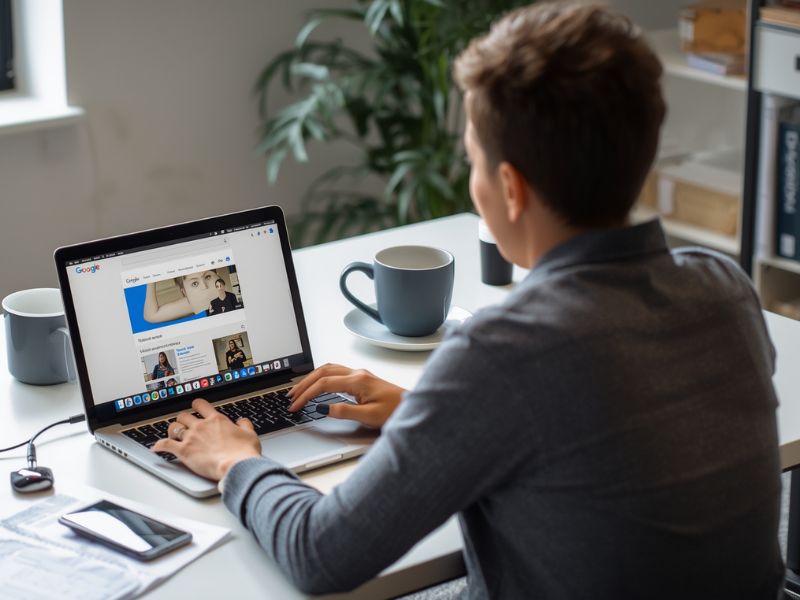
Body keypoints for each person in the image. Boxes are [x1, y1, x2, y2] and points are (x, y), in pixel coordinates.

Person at [154, 3, 783, 598]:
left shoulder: (505, 352)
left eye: (473, 162)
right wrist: (427, 414)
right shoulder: (724, 290)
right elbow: (611, 430)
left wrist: (235, 462)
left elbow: (321, 553)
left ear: (509, 188)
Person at [143, 269, 219, 323]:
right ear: (185, 293)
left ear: (218, 276)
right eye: (195, 284)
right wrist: (151, 276)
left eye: (208, 277)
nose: (204, 287)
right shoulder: (194, 302)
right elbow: (151, 316)